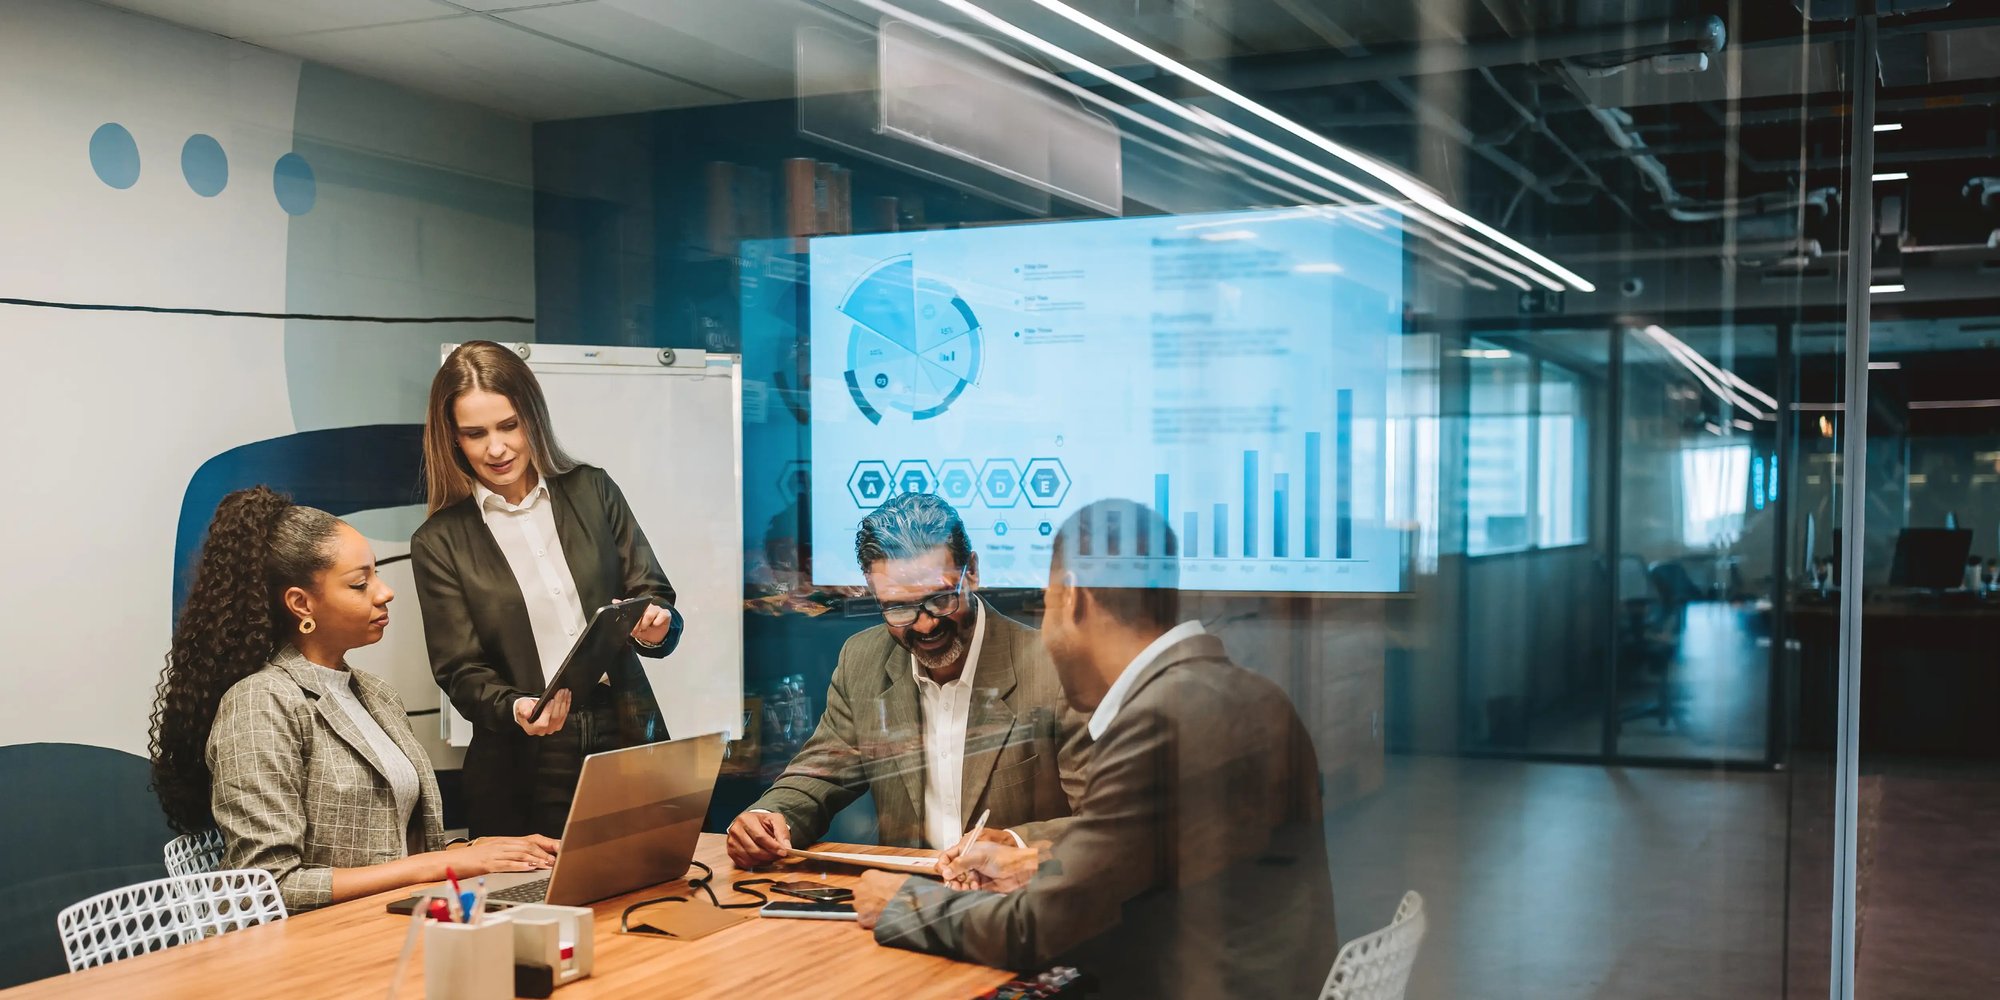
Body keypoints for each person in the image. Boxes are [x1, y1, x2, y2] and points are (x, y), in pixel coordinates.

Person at [852, 499, 1337, 999]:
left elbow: (1038, 928)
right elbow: (1142, 866)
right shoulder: (1250, 694)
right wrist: (1041, 865)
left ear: (1073, 599)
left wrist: (903, 904)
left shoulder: (1162, 721)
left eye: (1047, 603)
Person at [147, 487, 561, 913]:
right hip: (321, 946)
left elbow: (389, 844)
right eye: (360, 583)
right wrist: (441, 863)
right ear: (300, 603)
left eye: (376, 576)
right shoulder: (260, 703)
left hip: (397, 919)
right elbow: (270, 884)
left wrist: (477, 849)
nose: (384, 593)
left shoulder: (375, 694)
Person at [726, 492, 1089, 866]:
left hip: (1015, 906)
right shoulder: (862, 661)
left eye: (941, 599)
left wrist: (1016, 843)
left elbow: (1111, 820)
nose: (926, 623)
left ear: (974, 572)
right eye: (898, 607)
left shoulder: (1058, 668)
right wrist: (768, 818)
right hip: (901, 901)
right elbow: (818, 775)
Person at [411, 340, 683, 838]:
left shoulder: (592, 489)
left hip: (623, 726)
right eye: (475, 434)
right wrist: (516, 707)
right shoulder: (440, 540)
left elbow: (653, 592)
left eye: (508, 426)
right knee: (534, 898)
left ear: (533, 417)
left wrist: (654, 623)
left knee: (648, 876)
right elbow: (460, 671)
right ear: (452, 439)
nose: (496, 448)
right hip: (523, 755)